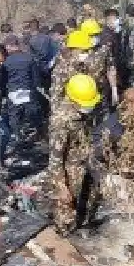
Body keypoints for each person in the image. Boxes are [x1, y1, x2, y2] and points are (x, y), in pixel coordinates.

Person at [48, 74, 105, 235]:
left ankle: (82, 226)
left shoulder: (79, 114)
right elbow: (55, 158)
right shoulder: (62, 121)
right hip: (69, 171)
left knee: (86, 202)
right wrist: (61, 186)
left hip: (82, 165)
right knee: (67, 211)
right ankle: (64, 238)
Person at [2, 34, 41, 145]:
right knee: (33, 114)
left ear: (9, 46)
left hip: (13, 91)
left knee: (14, 115)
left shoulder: (6, 62)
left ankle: (18, 136)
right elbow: (36, 78)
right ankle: (35, 134)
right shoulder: (29, 58)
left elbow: (3, 80)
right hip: (27, 90)